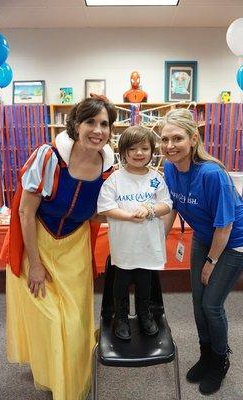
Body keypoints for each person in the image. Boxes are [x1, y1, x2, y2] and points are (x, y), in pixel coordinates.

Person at [3, 96, 117, 400]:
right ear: (76, 124)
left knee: (77, 318)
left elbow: (97, 211)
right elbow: (26, 212)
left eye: (104, 124)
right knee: (51, 316)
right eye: (90, 122)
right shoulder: (49, 156)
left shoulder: (109, 165)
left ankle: (74, 375)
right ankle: (55, 376)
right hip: (37, 240)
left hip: (75, 245)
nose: (97, 130)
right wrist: (36, 264)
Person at [160, 108, 243, 396]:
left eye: (177, 138)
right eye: (164, 140)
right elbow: (174, 205)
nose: (169, 146)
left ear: (193, 139)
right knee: (197, 301)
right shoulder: (169, 167)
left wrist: (211, 262)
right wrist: (158, 242)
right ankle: (206, 354)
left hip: (234, 241)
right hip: (205, 235)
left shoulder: (213, 174)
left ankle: (220, 360)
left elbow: (225, 227)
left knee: (212, 304)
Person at [97, 125, 172, 340]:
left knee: (144, 283)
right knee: (120, 284)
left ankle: (144, 315)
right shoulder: (114, 180)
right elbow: (105, 208)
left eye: (144, 148)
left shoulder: (156, 178)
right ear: (123, 152)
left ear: (151, 151)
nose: (139, 153)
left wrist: (149, 209)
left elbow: (166, 204)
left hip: (147, 245)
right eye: (132, 149)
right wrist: (128, 216)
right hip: (124, 247)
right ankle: (120, 317)